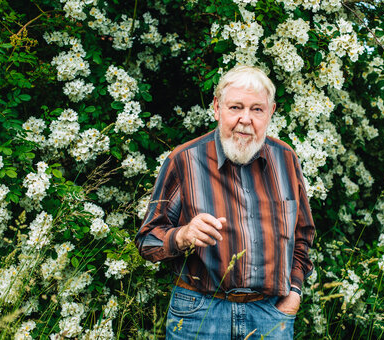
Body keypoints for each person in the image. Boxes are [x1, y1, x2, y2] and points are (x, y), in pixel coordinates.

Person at [135, 65, 315, 339]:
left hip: (269, 315)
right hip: (200, 314)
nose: (246, 119)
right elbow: (147, 240)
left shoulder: (285, 159)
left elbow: (302, 236)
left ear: (271, 112)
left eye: (257, 109)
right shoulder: (184, 160)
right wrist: (183, 235)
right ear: (217, 108)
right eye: (236, 107)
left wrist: (294, 294)